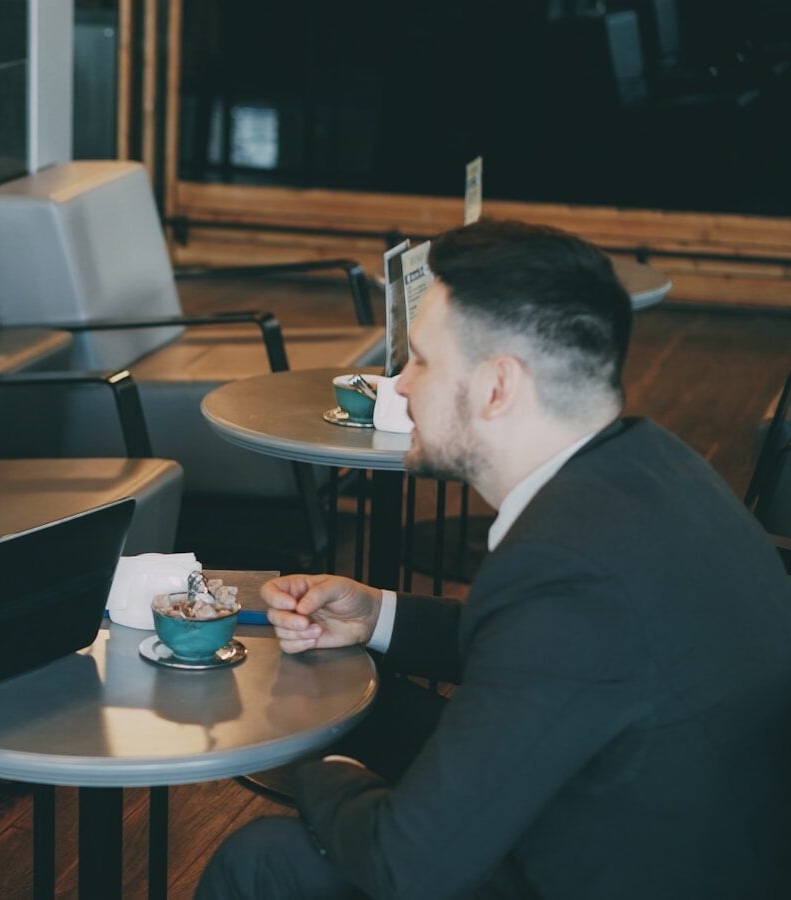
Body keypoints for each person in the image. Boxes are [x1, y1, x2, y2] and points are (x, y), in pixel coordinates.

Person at [197, 221, 791, 899]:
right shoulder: (656, 463)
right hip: (678, 824)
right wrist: (377, 614)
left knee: (264, 861)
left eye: (421, 360)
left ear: (498, 387)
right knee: (377, 707)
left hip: (619, 869)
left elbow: (405, 867)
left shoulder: (566, 572)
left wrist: (325, 769)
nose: (398, 385)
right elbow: (552, 653)